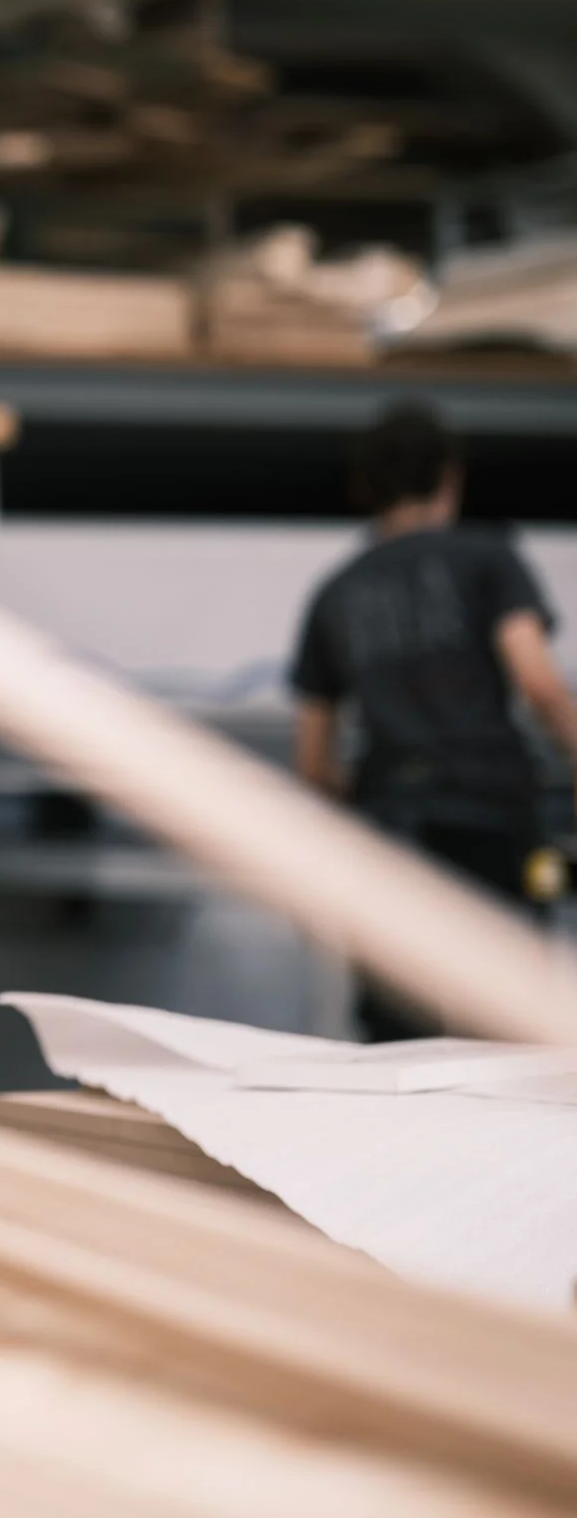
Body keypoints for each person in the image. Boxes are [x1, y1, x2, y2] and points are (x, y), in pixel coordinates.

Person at [290, 396, 577, 1038]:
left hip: (390, 829)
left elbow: (312, 763)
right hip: (489, 816)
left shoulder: (334, 593)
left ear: (366, 488)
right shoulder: (487, 558)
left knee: (396, 1047)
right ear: (450, 477)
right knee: (509, 1030)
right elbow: (537, 680)